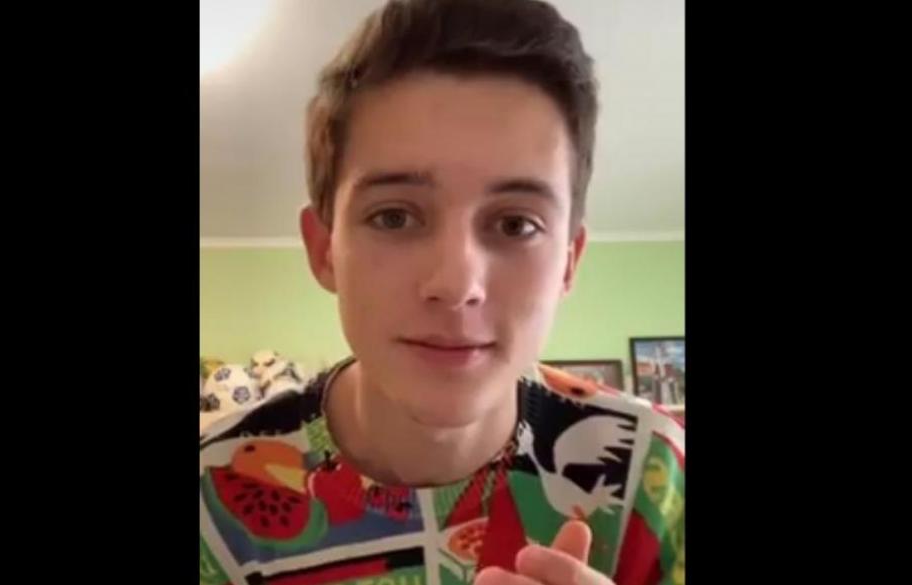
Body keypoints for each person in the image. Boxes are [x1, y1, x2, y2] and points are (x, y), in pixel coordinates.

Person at [199, 1, 685, 584]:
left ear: (567, 262)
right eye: (394, 217)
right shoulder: (209, 502)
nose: (456, 285)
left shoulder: (656, 474)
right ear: (324, 250)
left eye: (515, 224)